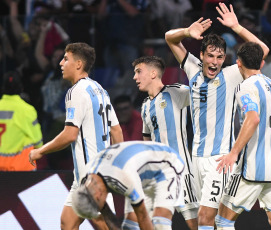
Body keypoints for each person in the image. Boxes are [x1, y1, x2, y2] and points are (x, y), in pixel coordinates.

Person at [165, 3, 269, 229]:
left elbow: (262, 50)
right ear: (201, 55)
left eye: (219, 57)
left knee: (204, 217)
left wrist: (237, 27)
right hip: (196, 159)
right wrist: (186, 32)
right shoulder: (193, 68)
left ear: (225, 58)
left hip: (219, 160)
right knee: (215, 223)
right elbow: (169, 37)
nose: (214, 62)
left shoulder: (231, 75)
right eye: (210, 56)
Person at [29, 42, 123, 229]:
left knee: (105, 225)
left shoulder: (76, 92)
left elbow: (70, 134)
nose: (61, 63)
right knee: (67, 222)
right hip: (87, 176)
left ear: (78, 64)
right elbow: (117, 131)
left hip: (91, 176)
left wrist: (41, 151)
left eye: (66, 59)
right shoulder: (100, 90)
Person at [215, 42, 271, 230]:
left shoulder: (246, 86)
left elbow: (253, 118)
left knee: (223, 221)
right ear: (262, 63)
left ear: (239, 63)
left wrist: (234, 153)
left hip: (252, 167)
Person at [133, 56, 199, 229]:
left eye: (139, 72)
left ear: (153, 73)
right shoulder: (145, 105)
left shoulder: (175, 92)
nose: (135, 77)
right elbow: (147, 141)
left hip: (183, 174)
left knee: (198, 225)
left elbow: (203, 95)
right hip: (160, 176)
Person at [71, 141, 185, 230]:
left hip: (167, 166)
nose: (101, 210)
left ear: (97, 196)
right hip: (140, 174)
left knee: (160, 224)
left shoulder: (122, 177)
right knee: (129, 227)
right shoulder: (85, 182)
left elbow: (142, 216)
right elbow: (107, 214)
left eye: (98, 208)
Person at [0, 71, 43, 171]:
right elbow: (39, 143)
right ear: (21, 88)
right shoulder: (27, 110)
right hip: (22, 169)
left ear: (3, 88)